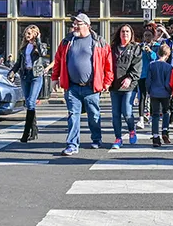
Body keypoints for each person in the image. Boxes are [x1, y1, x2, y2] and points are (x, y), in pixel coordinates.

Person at [51, 13, 114, 156]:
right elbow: (58, 60)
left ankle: (96, 139)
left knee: (93, 115)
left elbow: (108, 63)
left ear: (87, 25)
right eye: (74, 23)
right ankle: (72, 144)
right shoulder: (67, 41)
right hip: (72, 86)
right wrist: (55, 77)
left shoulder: (98, 42)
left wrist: (107, 82)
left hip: (91, 87)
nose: (74, 26)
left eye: (78, 24)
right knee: (73, 115)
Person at [9, 25, 52, 143]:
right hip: (25, 76)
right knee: (28, 103)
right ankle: (34, 129)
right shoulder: (23, 47)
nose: (26, 35)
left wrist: (38, 40)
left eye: (29, 33)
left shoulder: (40, 46)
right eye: (25, 33)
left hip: (36, 76)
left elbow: (43, 54)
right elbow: (18, 62)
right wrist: (12, 72)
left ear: (35, 34)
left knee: (32, 102)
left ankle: (26, 132)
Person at [110, 24, 142, 149]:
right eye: (123, 31)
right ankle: (118, 138)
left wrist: (130, 78)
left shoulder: (135, 48)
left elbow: (137, 67)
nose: (125, 34)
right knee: (115, 114)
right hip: (114, 85)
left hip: (129, 86)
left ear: (131, 34)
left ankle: (131, 129)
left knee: (127, 112)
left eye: (127, 31)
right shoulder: (113, 48)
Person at [147, 44, 173, 147]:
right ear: (168, 55)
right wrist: (169, 91)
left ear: (158, 53)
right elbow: (168, 82)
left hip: (154, 92)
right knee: (166, 112)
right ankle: (165, 130)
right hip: (165, 93)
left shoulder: (151, 65)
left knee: (155, 115)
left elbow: (148, 81)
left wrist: (149, 90)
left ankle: (155, 136)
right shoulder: (169, 67)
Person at [136, 29, 158, 129]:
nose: (147, 37)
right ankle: (141, 118)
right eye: (145, 35)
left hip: (153, 75)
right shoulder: (140, 46)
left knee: (153, 96)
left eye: (149, 35)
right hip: (142, 74)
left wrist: (150, 51)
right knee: (142, 97)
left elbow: (156, 58)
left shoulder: (157, 46)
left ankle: (152, 116)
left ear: (153, 36)